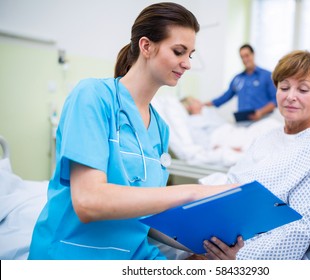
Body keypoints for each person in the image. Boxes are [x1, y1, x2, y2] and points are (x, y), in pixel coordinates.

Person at [28, 2, 236, 260]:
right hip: (74, 253)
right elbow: (88, 201)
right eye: (179, 51)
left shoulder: (160, 128)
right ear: (146, 46)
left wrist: (201, 249)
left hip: (135, 255)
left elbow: (146, 215)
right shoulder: (92, 96)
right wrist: (193, 192)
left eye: (190, 54)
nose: (187, 64)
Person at [201, 50, 310, 260]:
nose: (290, 96)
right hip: (215, 235)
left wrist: (239, 258)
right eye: (284, 87)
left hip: (242, 252)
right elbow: (233, 180)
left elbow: (298, 230)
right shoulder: (266, 136)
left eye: (303, 89)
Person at [204, 44, 277, 121]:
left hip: (263, 120)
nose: (245, 59)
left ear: (253, 54)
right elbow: (225, 96)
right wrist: (205, 104)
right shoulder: (237, 79)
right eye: (242, 57)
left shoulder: (267, 76)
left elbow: (275, 100)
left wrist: (260, 112)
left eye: (247, 55)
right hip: (243, 122)